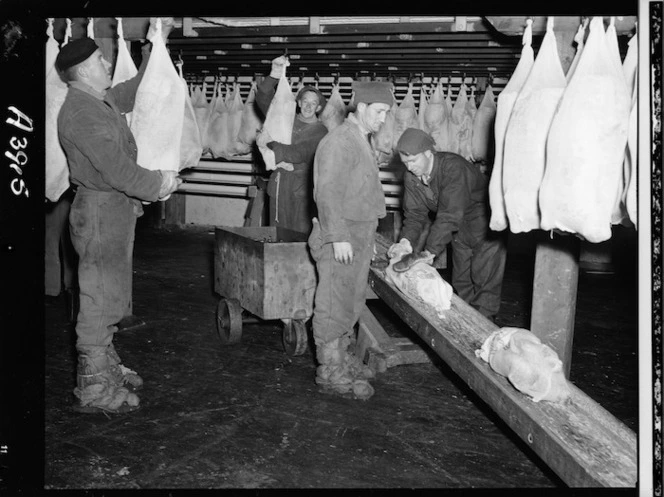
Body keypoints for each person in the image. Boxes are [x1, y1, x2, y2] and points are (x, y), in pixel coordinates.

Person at [56, 23, 181, 414]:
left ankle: (105, 365)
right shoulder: (80, 112)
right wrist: (159, 184)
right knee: (98, 295)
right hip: (99, 210)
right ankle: (92, 386)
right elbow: (118, 171)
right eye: (100, 59)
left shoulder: (98, 99)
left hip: (112, 209)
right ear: (82, 71)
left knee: (110, 292)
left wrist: (155, 48)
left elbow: (134, 91)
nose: (107, 60)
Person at [308, 81, 394, 400]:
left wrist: (367, 238)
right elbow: (327, 191)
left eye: (386, 112)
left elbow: (360, 191)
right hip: (340, 235)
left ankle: (343, 357)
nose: (383, 118)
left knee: (353, 298)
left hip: (359, 233)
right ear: (360, 107)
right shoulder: (340, 141)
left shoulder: (361, 139)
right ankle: (329, 368)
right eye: (379, 110)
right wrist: (339, 236)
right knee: (333, 301)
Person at [389, 128, 507, 322]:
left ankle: (485, 330)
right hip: (458, 230)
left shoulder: (453, 168)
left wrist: (429, 252)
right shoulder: (412, 177)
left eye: (413, 161)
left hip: (485, 226)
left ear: (429, 153)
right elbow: (414, 215)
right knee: (461, 282)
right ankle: (465, 327)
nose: (410, 167)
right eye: (405, 163)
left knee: (484, 282)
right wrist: (405, 242)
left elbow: (449, 214)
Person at [255, 55, 328, 234]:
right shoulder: (285, 120)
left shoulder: (321, 131)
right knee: (277, 232)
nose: (308, 107)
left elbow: (299, 153)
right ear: (298, 103)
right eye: (305, 102)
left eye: (314, 104)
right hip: (279, 185)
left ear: (319, 108)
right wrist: (274, 74)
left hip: (302, 190)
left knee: (299, 236)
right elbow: (264, 98)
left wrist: (269, 143)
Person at [45, 186, 78, 323]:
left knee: (51, 241)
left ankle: (53, 289)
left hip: (60, 194)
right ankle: (67, 288)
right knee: (67, 244)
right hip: (70, 195)